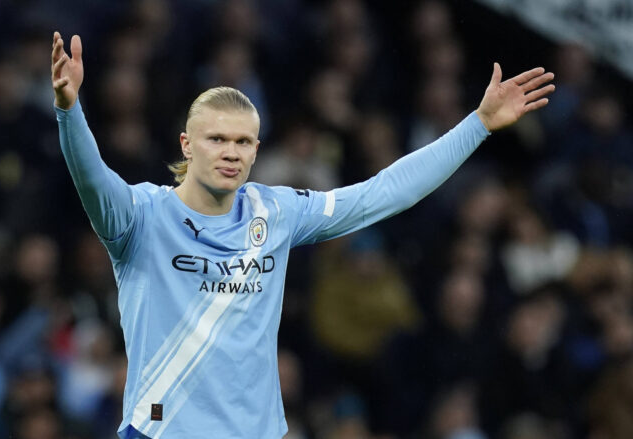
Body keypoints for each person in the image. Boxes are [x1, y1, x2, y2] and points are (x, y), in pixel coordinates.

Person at [50, 31, 554, 439]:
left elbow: (383, 193)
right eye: (217, 139)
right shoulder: (141, 215)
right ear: (187, 143)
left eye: (243, 141)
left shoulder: (277, 210)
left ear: (256, 149)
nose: (231, 152)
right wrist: (69, 110)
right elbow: (92, 178)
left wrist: (478, 124)